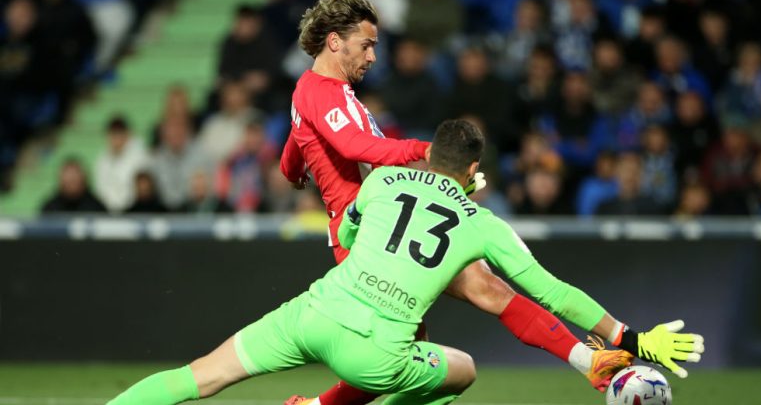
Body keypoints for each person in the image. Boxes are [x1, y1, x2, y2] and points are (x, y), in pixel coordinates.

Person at [107, 120, 704, 405]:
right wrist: (625, 334)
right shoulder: (481, 223)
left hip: (314, 311)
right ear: (473, 171)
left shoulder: (386, 178)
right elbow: (549, 290)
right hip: (376, 351)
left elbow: (356, 226)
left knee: (200, 377)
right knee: (461, 370)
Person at [279, 0, 686, 405]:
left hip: (389, 219)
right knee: (409, 355)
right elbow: (352, 146)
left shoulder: (318, 93)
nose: (372, 56)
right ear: (335, 42)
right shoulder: (322, 91)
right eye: (366, 45)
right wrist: (426, 153)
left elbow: (297, 145)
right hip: (364, 233)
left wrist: (294, 170)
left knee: (476, 299)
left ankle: (587, 359)